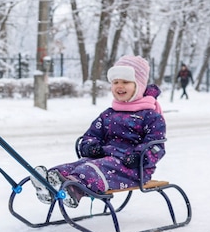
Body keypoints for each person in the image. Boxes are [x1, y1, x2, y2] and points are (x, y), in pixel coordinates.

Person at [31, 55, 166, 208]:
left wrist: (139, 157)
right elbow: (91, 135)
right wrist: (90, 147)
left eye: (125, 82)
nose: (119, 86)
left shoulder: (150, 115)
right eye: (115, 82)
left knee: (87, 170)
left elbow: (156, 146)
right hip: (104, 160)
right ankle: (48, 185)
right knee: (71, 167)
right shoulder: (109, 114)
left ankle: (73, 190)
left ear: (139, 85)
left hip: (132, 169)